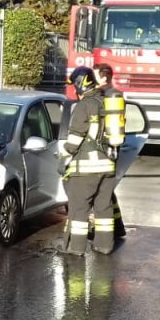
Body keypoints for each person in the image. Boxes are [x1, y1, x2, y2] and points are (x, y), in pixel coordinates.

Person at [61, 67, 120, 255]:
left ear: (79, 84)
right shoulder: (107, 102)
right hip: (108, 166)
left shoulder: (84, 105)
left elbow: (75, 139)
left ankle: (75, 248)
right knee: (104, 207)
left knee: (79, 208)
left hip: (87, 168)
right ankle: (104, 245)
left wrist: (64, 157)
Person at [94, 64, 127, 239]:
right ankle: (118, 226)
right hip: (111, 148)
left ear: (103, 77)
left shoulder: (103, 96)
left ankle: (104, 234)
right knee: (107, 190)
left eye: (95, 76)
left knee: (102, 192)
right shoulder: (116, 94)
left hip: (103, 149)